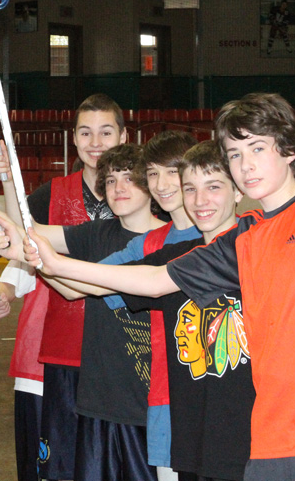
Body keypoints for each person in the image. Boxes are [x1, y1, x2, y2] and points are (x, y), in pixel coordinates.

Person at [26, 93, 295, 481]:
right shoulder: (243, 238)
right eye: (234, 154)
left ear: (287, 150)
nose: (245, 165)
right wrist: (56, 264)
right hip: (266, 446)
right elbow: (156, 280)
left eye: (257, 148)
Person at [0, 143, 163, 481]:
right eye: (110, 180)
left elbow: (78, 281)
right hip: (98, 397)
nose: (119, 188)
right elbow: (34, 237)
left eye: (129, 178)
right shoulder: (95, 233)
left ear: (150, 183)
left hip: (147, 400)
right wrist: (9, 195)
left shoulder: (170, 240)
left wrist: (29, 249)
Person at [100, 130, 199, 481]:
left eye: (172, 171)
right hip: (167, 398)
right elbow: (87, 282)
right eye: (153, 173)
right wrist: (37, 256)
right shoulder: (149, 244)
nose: (161, 184)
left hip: (220, 398)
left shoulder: (224, 237)